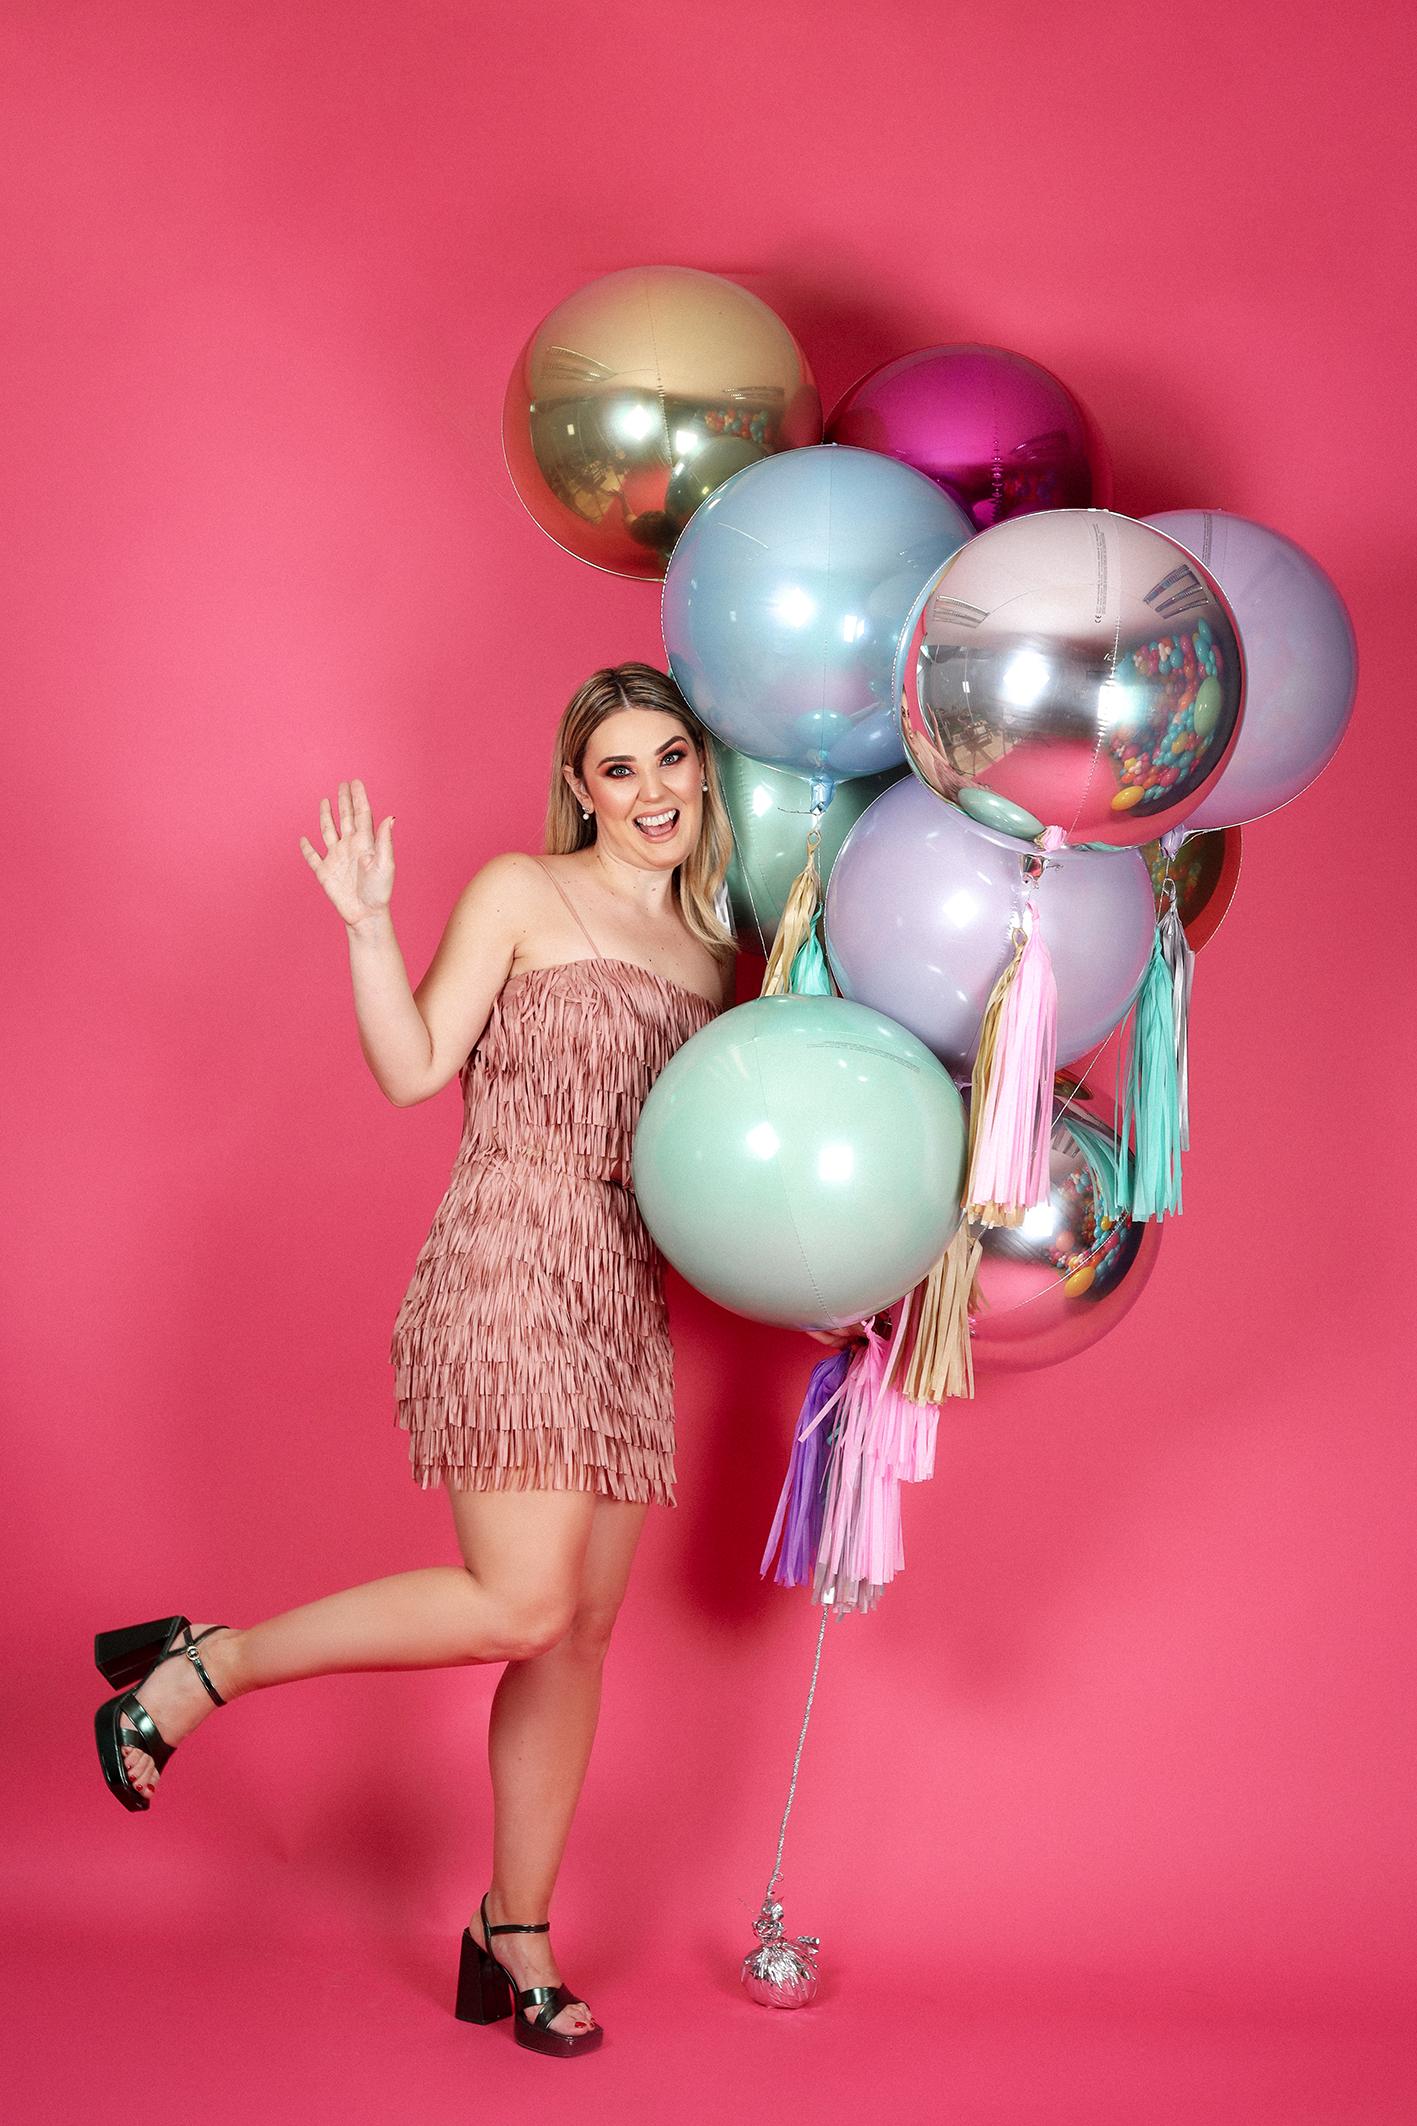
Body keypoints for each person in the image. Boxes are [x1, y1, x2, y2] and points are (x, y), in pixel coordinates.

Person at [91, 662, 739, 2058]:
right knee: (520, 1604)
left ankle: (516, 1930)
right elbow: (412, 1067)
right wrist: (370, 927)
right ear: (580, 788)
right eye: (619, 768)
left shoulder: (712, 951)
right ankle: (208, 1665)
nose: (651, 792)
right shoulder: (521, 889)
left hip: (626, 1292)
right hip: (510, 1258)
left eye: (672, 759)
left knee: (579, 1633)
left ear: (704, 770)